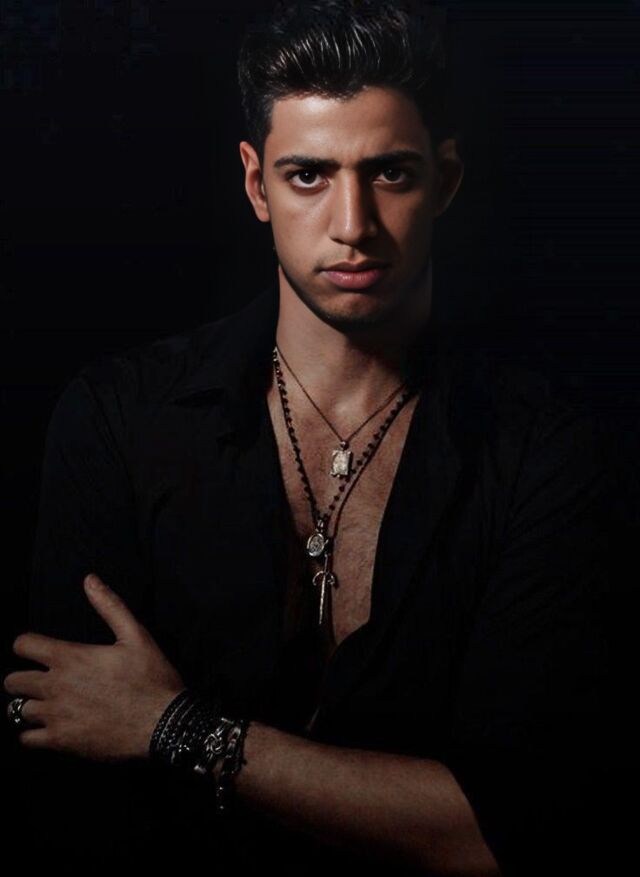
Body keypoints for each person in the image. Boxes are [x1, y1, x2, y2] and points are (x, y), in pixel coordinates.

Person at [4, 2, 612, 874]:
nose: (353, 224)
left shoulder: (542, 450)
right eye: (309, 176)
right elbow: (64, 756)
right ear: (257, 185)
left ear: (446, 179)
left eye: (390, 173)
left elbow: (503, 829)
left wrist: (172, 726)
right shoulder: (118, 418)